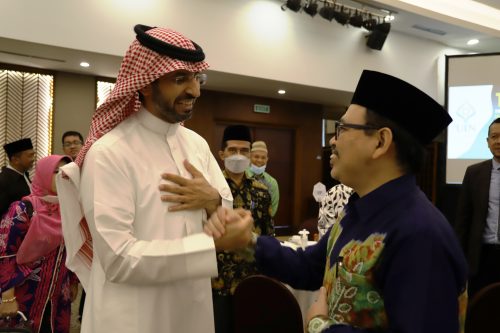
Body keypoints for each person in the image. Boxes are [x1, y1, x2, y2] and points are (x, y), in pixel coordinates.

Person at [204, 70, 468, 333]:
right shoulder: (357, 210)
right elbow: (310, 267)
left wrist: (321, 327)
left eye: (341, 129)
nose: (332, 140)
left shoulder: (420, 233)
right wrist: (247, 241)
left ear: (380, 142)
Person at [55, 24, 254, 333]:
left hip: (193, 311)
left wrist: (214, 201)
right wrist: (209, 246)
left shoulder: (197, 145)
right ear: (145, 84)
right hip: (132, 318)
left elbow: (223, 204)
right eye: (180, 79)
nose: (195, 90)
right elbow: (119, 258)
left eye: (196, 78)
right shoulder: (110, 152)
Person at [0, 154, 78, 333]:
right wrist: (7, 297)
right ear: (43, 174)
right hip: (23, 294)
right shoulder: (23, 209)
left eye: (65, 172)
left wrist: (73, 280)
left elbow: (73, 248)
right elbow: (5, 252)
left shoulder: (70, 209)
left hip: (58, 295)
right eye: (55, 172)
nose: (61, 176)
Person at [213, 125, 273, 333]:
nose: (238, 156)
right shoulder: (212, 188)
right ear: (222, 154)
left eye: (244, 151)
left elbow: (268, 234)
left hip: (251, 280)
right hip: (217, 282)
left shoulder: (262, 191)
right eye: (232, 150)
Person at [455, 117, 500, 297]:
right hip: (482, 257)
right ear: (487, 142)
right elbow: (463, 220)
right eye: (494, 137)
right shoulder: (474, 173)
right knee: (480, 313)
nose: (498, 141)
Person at [0, 138, 35, 216]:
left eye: (33, 155)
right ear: (15, 160)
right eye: (30, 156)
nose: (33, 159)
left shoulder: (24, 174)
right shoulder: (3, 181)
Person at [247, 140, 280, 217]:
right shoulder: (242, 176)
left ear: (267, 159)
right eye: (256, 156)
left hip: (264, 225)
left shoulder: (272, 182)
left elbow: (273, 207)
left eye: (263, 157)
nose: (259, 160)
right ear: (249, 157)